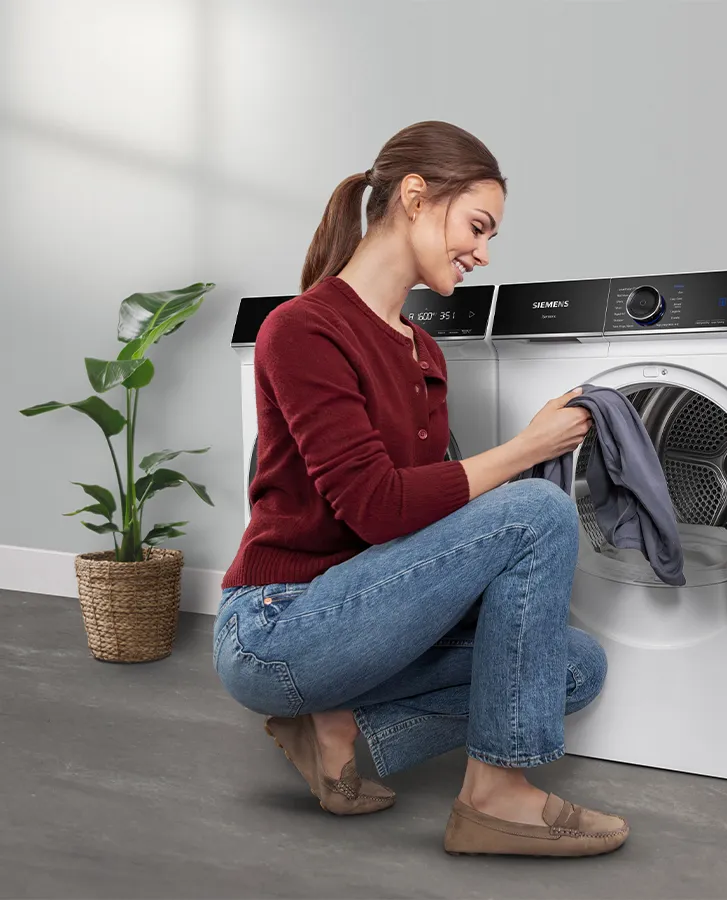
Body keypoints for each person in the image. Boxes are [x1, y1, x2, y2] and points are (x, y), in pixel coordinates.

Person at [214, 121, 629, 857]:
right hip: (279, 628)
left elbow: (428, 520)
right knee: (537, 508)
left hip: (363, 616)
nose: (483, 251)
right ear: (414, 197)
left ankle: (336, 722)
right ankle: (496, 798)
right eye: (477, 225)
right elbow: (377, 508)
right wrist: (528, 450)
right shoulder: (301, 328)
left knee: (575, 665)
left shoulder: (424, 350)